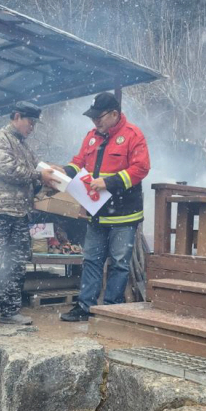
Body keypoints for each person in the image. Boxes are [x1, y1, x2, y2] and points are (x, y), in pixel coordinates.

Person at [59, 92, 150, 322]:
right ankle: (85, 306)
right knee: (91, 260)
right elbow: (79, 162)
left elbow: (141, 168)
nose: (95, 122)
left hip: (123, 214)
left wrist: (108, 183)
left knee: (119, 263)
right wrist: (63, 171)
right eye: (92, 118)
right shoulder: (91, 137)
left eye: (99, 117)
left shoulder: (133, 135)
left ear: (114, 114)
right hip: (96, 211)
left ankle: (111, 310)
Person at [0, 101, 58, 329]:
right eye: (29, 122)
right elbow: (9, 170)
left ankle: (10, 310)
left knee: (16, 263)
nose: (32, 127)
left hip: (21, 214)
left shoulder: (24, 148)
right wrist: (39, 175)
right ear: (16, 116)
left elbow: (35, 177)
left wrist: (51, 179)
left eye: (34, 123)